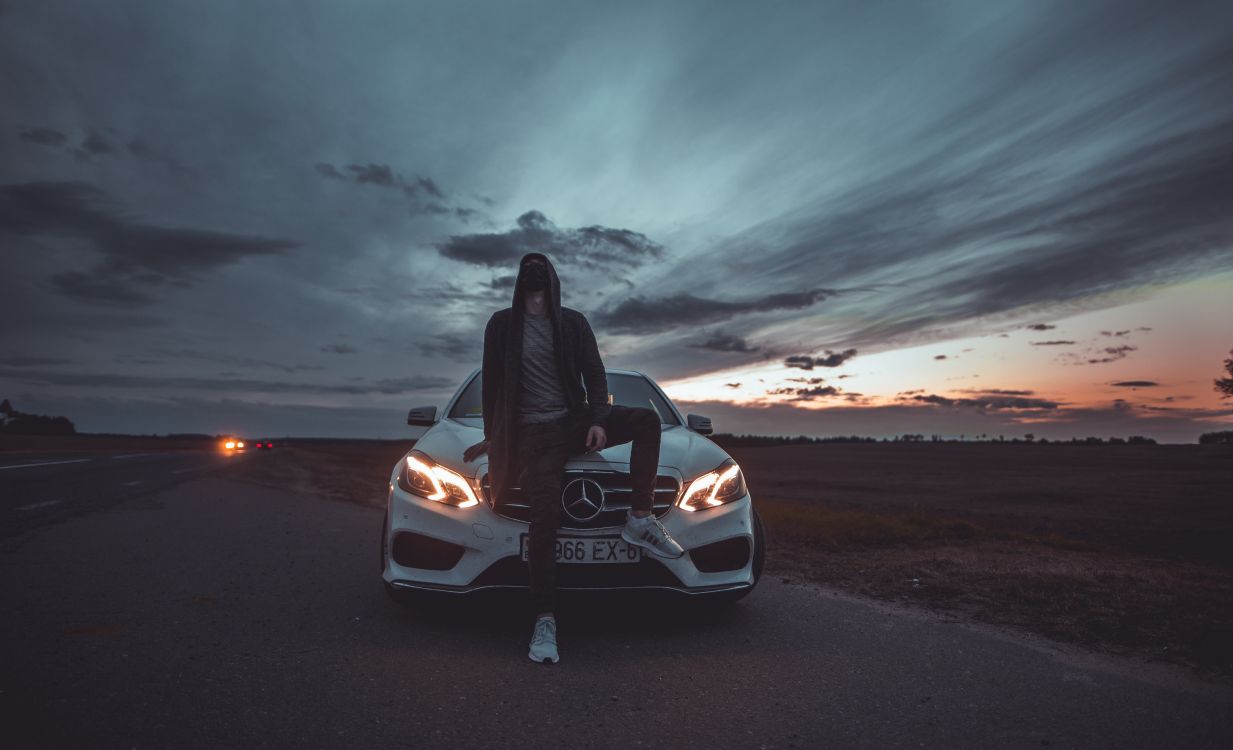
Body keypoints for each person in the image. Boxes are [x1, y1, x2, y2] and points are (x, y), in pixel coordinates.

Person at [462, 252, 684, 664]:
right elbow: (493, 384)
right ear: (519, 279)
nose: (532, 273)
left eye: (539, 266)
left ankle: (638, 518)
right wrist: (495, 439)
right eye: (526, 267)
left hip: (574, 420)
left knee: (646, 422)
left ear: (551, 279)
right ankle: (545, 620)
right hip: (532, 432)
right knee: (545, 514)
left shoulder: (573, 323)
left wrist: (598, 420)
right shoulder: (501, 325)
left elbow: (595, 374)